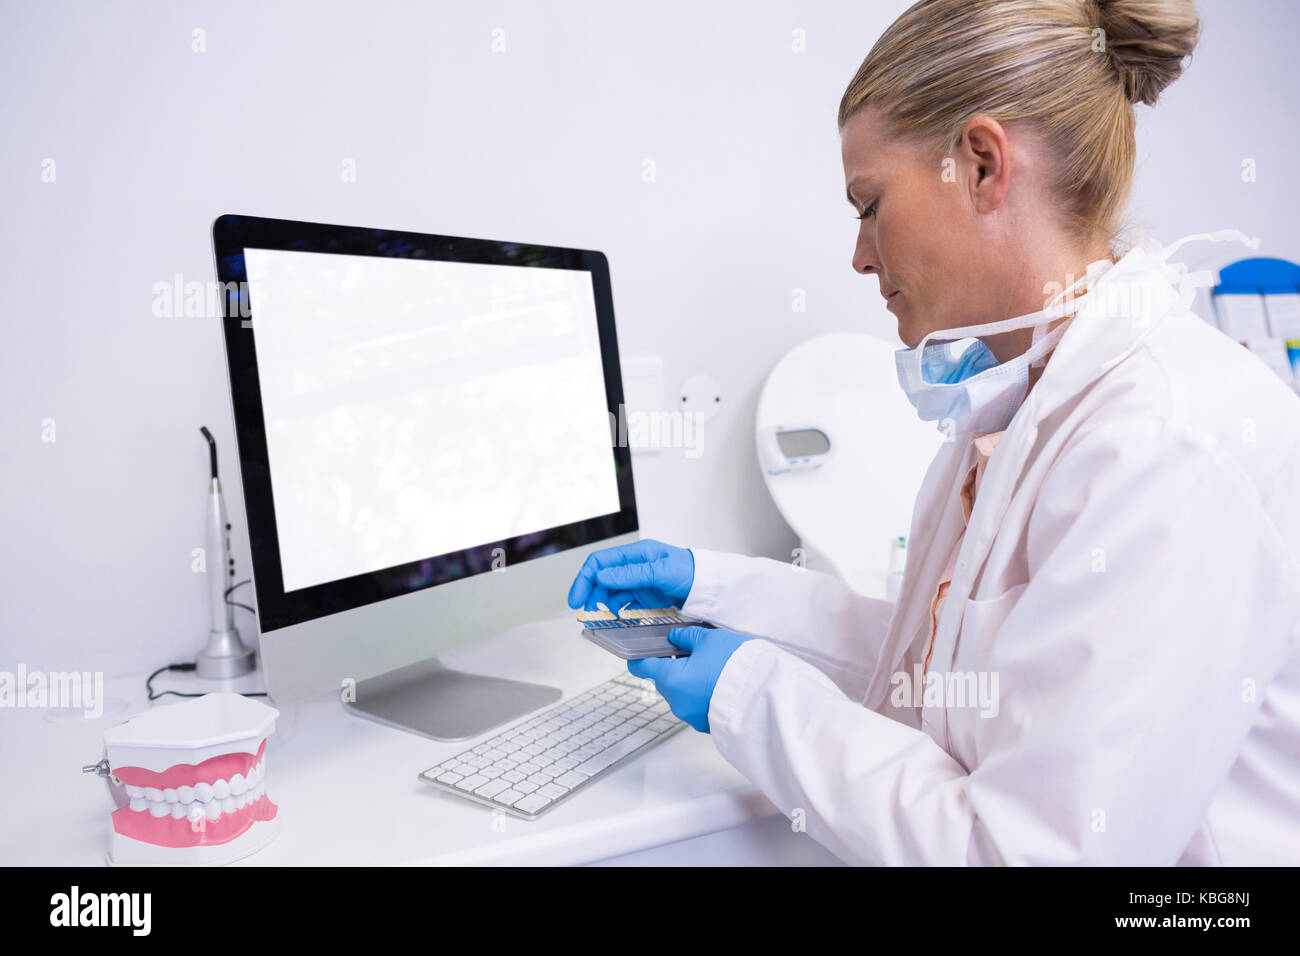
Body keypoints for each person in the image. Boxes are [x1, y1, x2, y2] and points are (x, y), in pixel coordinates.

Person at [567, 0, 1300, 865]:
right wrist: (719, 593)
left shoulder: (1167, 445)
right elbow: (943, 676)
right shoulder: (1020, 406)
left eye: (868, 205)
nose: (860, 256)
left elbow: (1026, 854)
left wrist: (750, 692)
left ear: (983, 166)